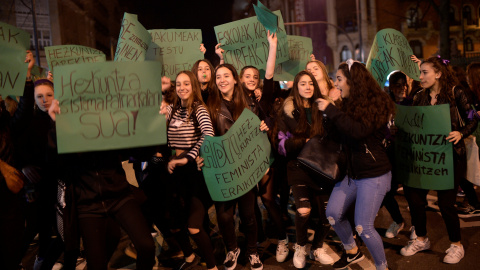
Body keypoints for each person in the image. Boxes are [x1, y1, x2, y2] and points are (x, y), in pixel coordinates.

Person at [317, 59, 396, 270]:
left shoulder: (377, 103)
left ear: (353, 81)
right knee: (333, 213)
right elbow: (337, 135)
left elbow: (358, 131)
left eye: (339, 79)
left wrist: (333, 111)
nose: (336, 84)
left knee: (364, 227)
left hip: (374, 174)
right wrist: (328, 112)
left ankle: (382, 267)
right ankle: (352, 252)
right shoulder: (347, 104)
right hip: (353, 173)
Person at [398, 56, 478, 264]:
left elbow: (472, 117)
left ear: (439, 73)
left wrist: (461, 133)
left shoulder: (456, 93)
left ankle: (456, 245)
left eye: (425, 72)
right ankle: (421, 238)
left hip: (450, 156)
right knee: (415, 199)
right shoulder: (418, 96)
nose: (421, 76)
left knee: (445, 203)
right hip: (424, 158)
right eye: (420, 72)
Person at [204, 63, 268, 270]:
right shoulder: (210, 105)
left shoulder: (250, 104)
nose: (221, 80)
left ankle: (252, 251)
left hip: (245, 167)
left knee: (249, 215)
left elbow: (258, 131)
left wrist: (263, 126)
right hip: (223, 168)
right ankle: (232, 249)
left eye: (226, 76)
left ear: (234, 79)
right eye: (218, 77)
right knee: (224, 215)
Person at [274, 70, 335, 268]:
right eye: (302, 84)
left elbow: (335, 136)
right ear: (296, 87)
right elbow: (282, 145)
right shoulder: (288, 111)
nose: (307, 87)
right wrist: (306, 142)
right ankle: (300, 246)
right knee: (303, 210)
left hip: (322, 167)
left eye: (310, 83)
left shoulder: (324, 108)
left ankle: (317, 247)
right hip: (298, 166)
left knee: (329, 213)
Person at [165, 70, 217, 270]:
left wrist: (188, 157)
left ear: (193, 86)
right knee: (174, 222)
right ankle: (190, 258)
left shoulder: (199, 109)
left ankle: (212, 267)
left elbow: (208, 135)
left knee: (194, 226)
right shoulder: (172, 110)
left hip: (195, 174)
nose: (182, 88)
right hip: (175, 173)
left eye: (186, 83)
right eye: (178, 84)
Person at [0, 50, 35, 270]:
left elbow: (23, 114)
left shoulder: (6, 124)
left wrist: (27, 75)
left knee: (11, 251)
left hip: (11, 201)